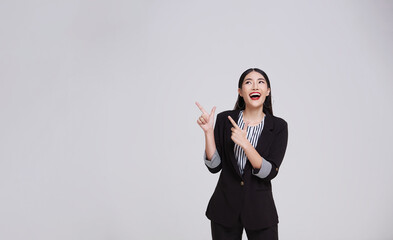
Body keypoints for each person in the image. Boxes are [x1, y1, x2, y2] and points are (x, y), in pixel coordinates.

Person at [196, 68, 288, 240]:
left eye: (261, 82)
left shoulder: (279, 126)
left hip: (261, 211)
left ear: (267, 91)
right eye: (248, 82)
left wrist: (246, 145)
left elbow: (269, 172)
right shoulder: (225, 120)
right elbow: (214, 166)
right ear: (240, 92)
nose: (255, 86)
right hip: (224, 208)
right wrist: (208, 132)